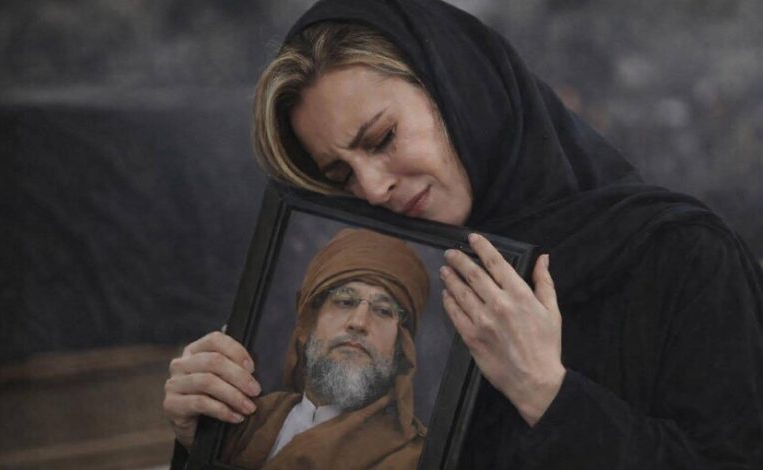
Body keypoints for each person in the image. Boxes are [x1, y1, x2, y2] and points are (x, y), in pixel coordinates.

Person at [165, 0, 763, 468]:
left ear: (458, 90)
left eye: (382, 138)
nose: (372, 188)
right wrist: (215, 437)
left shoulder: (682, 256)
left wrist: (547, 393)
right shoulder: (406, 291)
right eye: (341, 175)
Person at [167, 228, 430, 469]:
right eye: (344, 301)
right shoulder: (244, 423)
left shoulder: (419, 459)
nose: (359, 323)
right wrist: (196, 445)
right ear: (308, 323)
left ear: (401, 346)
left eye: (383, 311)